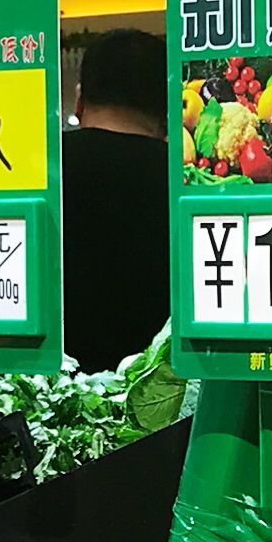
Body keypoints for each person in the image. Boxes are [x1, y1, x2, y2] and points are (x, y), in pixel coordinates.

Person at [61, 25, 173, 372]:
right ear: (167, 107)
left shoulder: (43, 172)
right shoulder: (187, 182)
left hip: (47, 402)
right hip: (165, 408)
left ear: (79, 99)